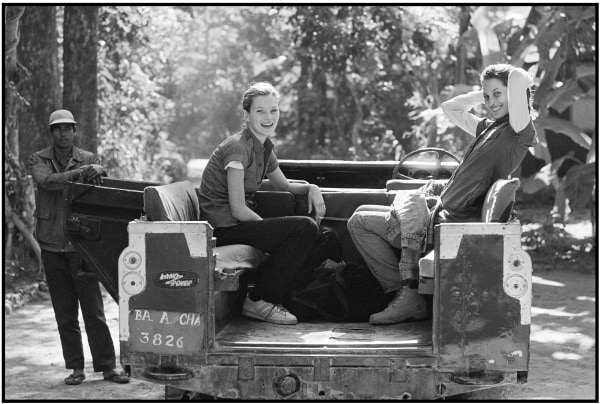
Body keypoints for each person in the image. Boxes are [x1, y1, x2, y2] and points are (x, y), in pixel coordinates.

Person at [348, 63, 538, 325]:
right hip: (440, 210)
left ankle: (406, 293)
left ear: (515, 95)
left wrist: (512, 86)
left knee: (358, 223)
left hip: (449, 221)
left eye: (498, 94)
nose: (491, 102)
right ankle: (408, 294)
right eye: (487, 96)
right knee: (360, 212)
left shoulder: (519, 130)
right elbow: (451, 107)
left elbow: (517, 77)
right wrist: (482, 92)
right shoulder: (489, 128)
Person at [198, 82, 335, 326]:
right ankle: (259, 299)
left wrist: (312, 188)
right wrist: (273, 236)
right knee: (303, 228)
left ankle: (285, 297)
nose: (268, 117)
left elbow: (284, 186)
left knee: (327, 237)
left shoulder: (263, 148)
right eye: (260, 111)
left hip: (238, 223)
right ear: (247, 114)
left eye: (274, 110)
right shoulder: (238, 147)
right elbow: (239, 209)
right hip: (222, 229)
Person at [29, 109, 129, 385]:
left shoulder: (89, 159)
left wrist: (96, 170)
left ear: (74, 131)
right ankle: (76, 368)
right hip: (51, 246)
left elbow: (100, 183)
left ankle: (108, 367)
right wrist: (81, 173)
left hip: (83, 246)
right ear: (51, 133)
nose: (62, 133)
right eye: (57, 129)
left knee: (94, 311)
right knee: (65, 313)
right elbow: (45, 182)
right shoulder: (38, 159)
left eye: (67, 128)